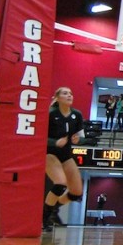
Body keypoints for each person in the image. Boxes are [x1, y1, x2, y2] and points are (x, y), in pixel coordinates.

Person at [43, 87, 85, 231]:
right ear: (58, 97)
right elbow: (40, 137)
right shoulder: (50, 114)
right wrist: (54, 142)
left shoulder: (77, 115)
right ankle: (44, 218)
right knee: (60, 183)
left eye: (71, 93)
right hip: (50, 153)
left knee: (76, 192)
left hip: (66, 154)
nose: (69, 95)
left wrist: (78, 140)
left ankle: (54, 210)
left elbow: (82, 137)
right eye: (65, 93)